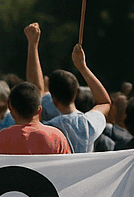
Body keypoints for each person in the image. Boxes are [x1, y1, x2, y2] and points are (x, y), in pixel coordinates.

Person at [25, 23, 110, 154]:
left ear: (53, 98)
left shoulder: (47, 128)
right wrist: (83, 67)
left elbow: (35, 93)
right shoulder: (87, 125)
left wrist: (33, 45)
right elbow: (104, 102)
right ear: (76, 92)